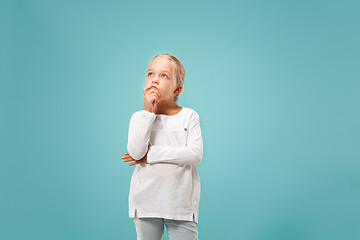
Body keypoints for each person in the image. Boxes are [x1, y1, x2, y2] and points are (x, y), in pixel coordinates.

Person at [121, 53, 203, 240]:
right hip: (146, 203)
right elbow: (135, 152)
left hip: (180, 206)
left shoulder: (189, 116)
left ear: (177, 89)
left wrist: (150, 156)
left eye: (164, 76)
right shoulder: (139, 117)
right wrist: (147, 111)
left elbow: (195, 154)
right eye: (151, 74)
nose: (155, 80)